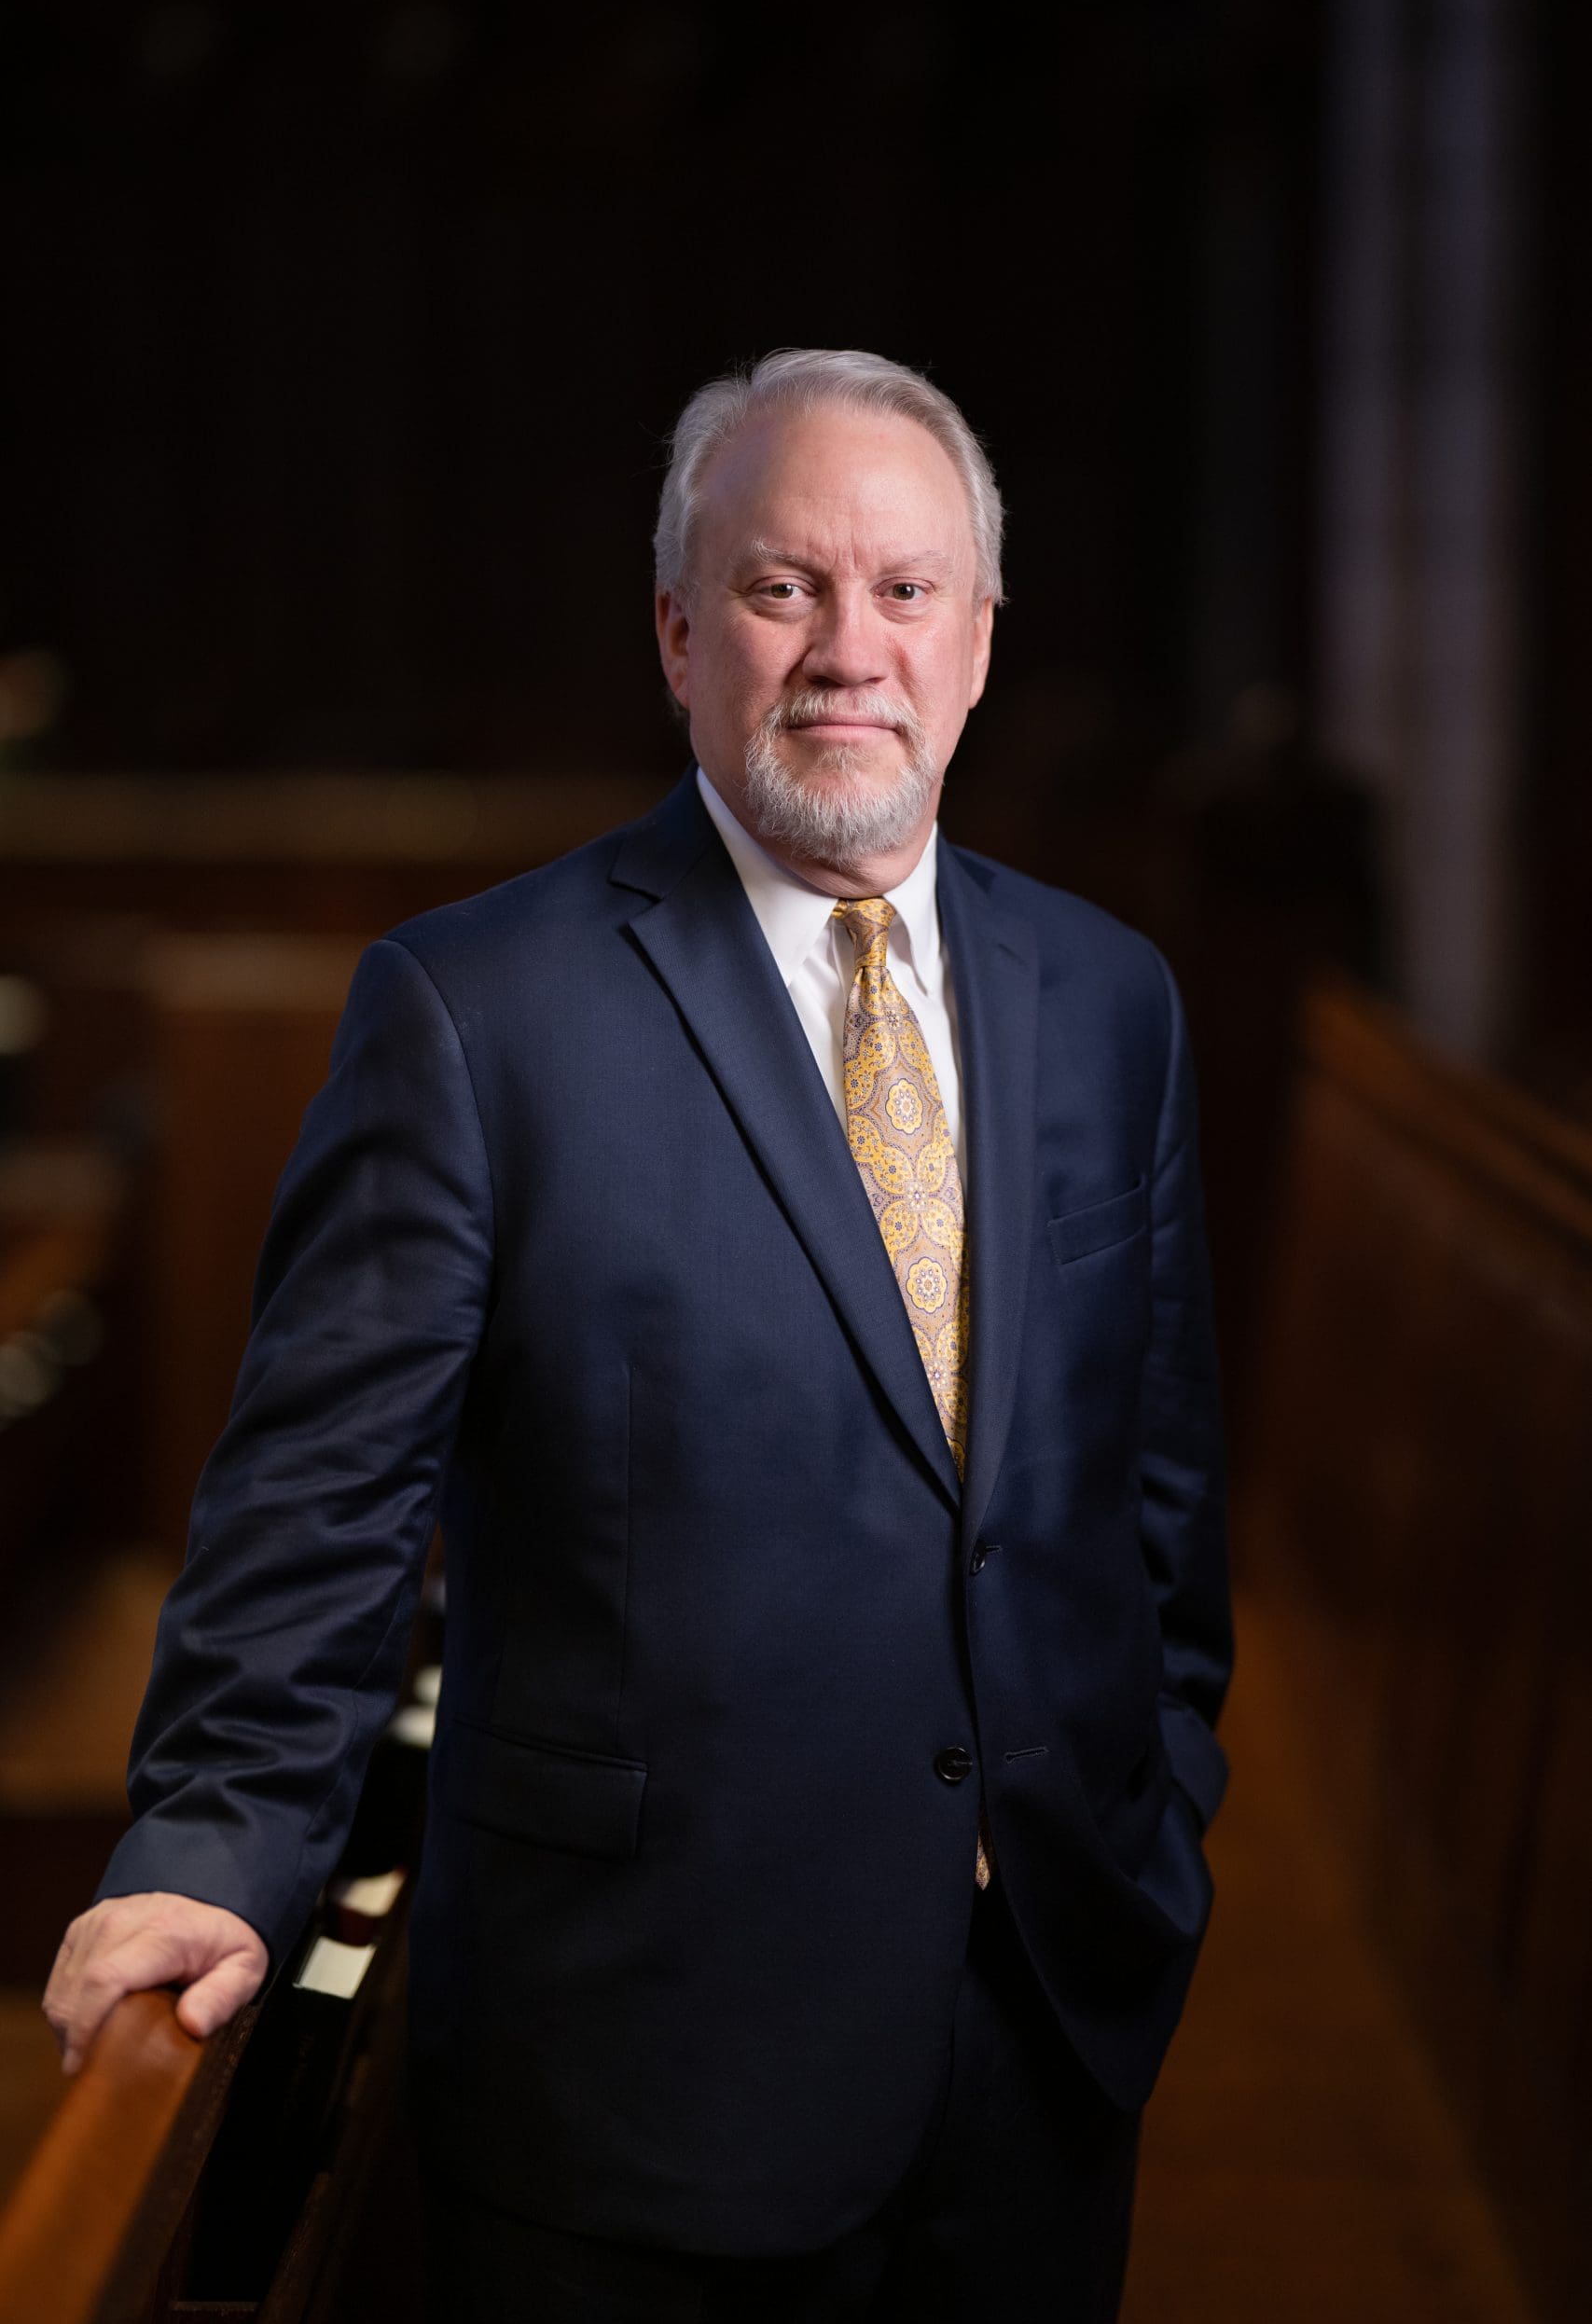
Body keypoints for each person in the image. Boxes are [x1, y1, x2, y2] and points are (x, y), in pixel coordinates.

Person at [44, 348, 1233, 2321]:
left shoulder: (1109, 998)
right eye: (784, 587)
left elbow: (1161, 1504)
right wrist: (209, 1847)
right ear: (681, 631)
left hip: (1032, 2049)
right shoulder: (474, 1011)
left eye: (904, 590)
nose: (849, 646)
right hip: (639, 2074)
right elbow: (317, 1518)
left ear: (980, 639)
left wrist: (1144, 1806)